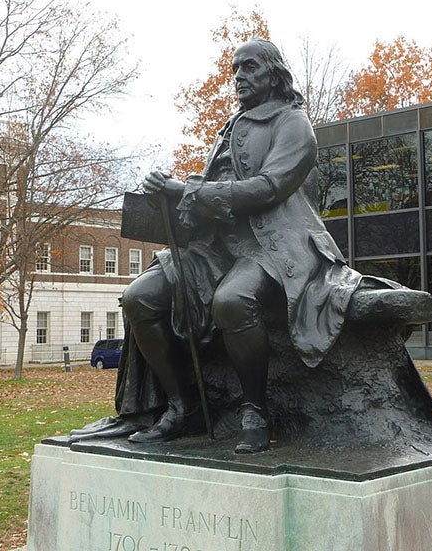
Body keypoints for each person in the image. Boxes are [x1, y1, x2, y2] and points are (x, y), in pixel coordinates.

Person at [119, 38, 362, 454]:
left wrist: (186, 189)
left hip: (273, 245)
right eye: (235, 70)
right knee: (138, 298)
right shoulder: (230, 128)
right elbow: (210, 192)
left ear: (274, 73)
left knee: (232, 301)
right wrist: (173, 199)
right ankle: (181, 408)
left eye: (249, 68)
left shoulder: (293, 123)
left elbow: (270, 187)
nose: (239, 77)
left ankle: (255, 410)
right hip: (215, 248)